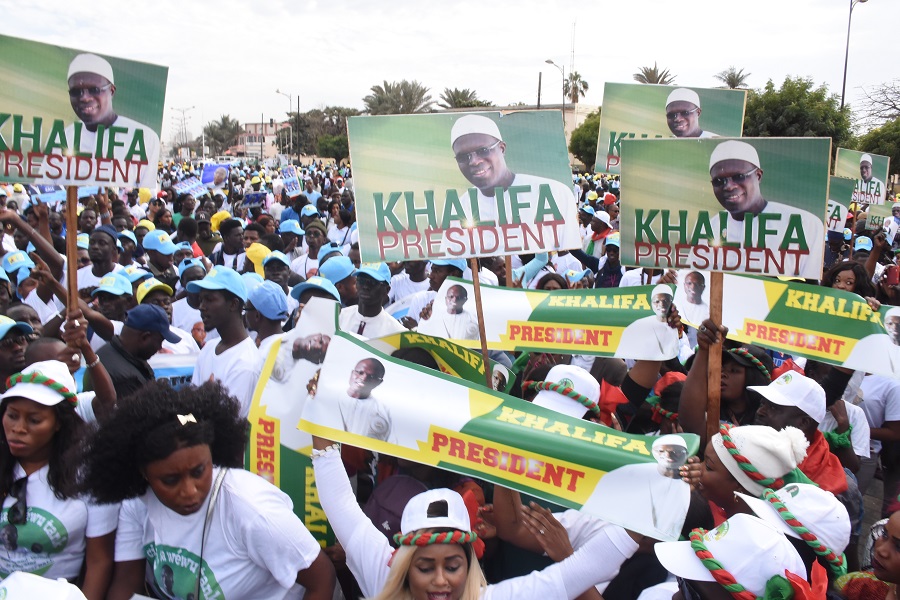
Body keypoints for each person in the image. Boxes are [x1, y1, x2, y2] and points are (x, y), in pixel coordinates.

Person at [80, 381, 335, 599]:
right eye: (170, 480)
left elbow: (322, 578)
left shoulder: (251, 508)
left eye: (199, 471)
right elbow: (126, 584)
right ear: (143, 473)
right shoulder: (137, 504)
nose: (190, 491)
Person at [312, 434, 643, 600]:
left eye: (452, 566)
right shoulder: (380, 572)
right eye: (425, 567)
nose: (441, 581)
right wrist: (319, 412)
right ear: (403, 564)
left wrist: (659, 504)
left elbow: (581, 570)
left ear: (470, 564)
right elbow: (340, 504)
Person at [0, 360, 117, 596]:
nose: (18, 428)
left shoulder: (89, 475)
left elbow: (99, 562)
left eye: (34, 420)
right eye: (12, 416)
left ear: (59, 423)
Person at [444, 114, 580, 256]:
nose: (474, 161)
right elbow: (451, 261)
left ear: (502, 148)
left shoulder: (555, 193)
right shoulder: (457, 208)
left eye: (483, 151)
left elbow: (568, 258)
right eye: (463, 157)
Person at [707, 140, 824, 278]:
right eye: (719, 181)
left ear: (758, 176)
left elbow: (810, 287)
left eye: (739, 177)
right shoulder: (708, 227)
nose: (729, 186)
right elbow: (694, 274)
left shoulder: (806, 224)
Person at [40, 53, 160, 189]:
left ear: (112, 91)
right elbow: (45, 189)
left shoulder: (145, 137)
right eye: (76, 92)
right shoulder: (61, 137)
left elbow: (147, 195)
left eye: (94, 90)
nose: (84, 98)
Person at [187, 267, 261, 417]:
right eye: (201, 300)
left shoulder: (246, 363)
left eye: (209, 299)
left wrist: (192, 415)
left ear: (233, 304)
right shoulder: (209, 348)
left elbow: (224, 425)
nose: (202, 307)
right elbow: (190, 407)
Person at [87, 304, 178, 402]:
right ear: (145, 337)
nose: (160, 347)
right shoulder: (126, 380)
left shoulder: (109, 351)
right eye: (160, 341)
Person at [338, 263, 405, 340]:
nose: (366, 287)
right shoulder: (340, 317)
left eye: (373, 283)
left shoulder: (396, 333)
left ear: (387, 290)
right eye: (361, 281)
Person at [614, 284, 680, 360]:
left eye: (665, 301)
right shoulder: (636, 326)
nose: (661, 304)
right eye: (657, 301)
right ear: (651, 303)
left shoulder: (674, 326)